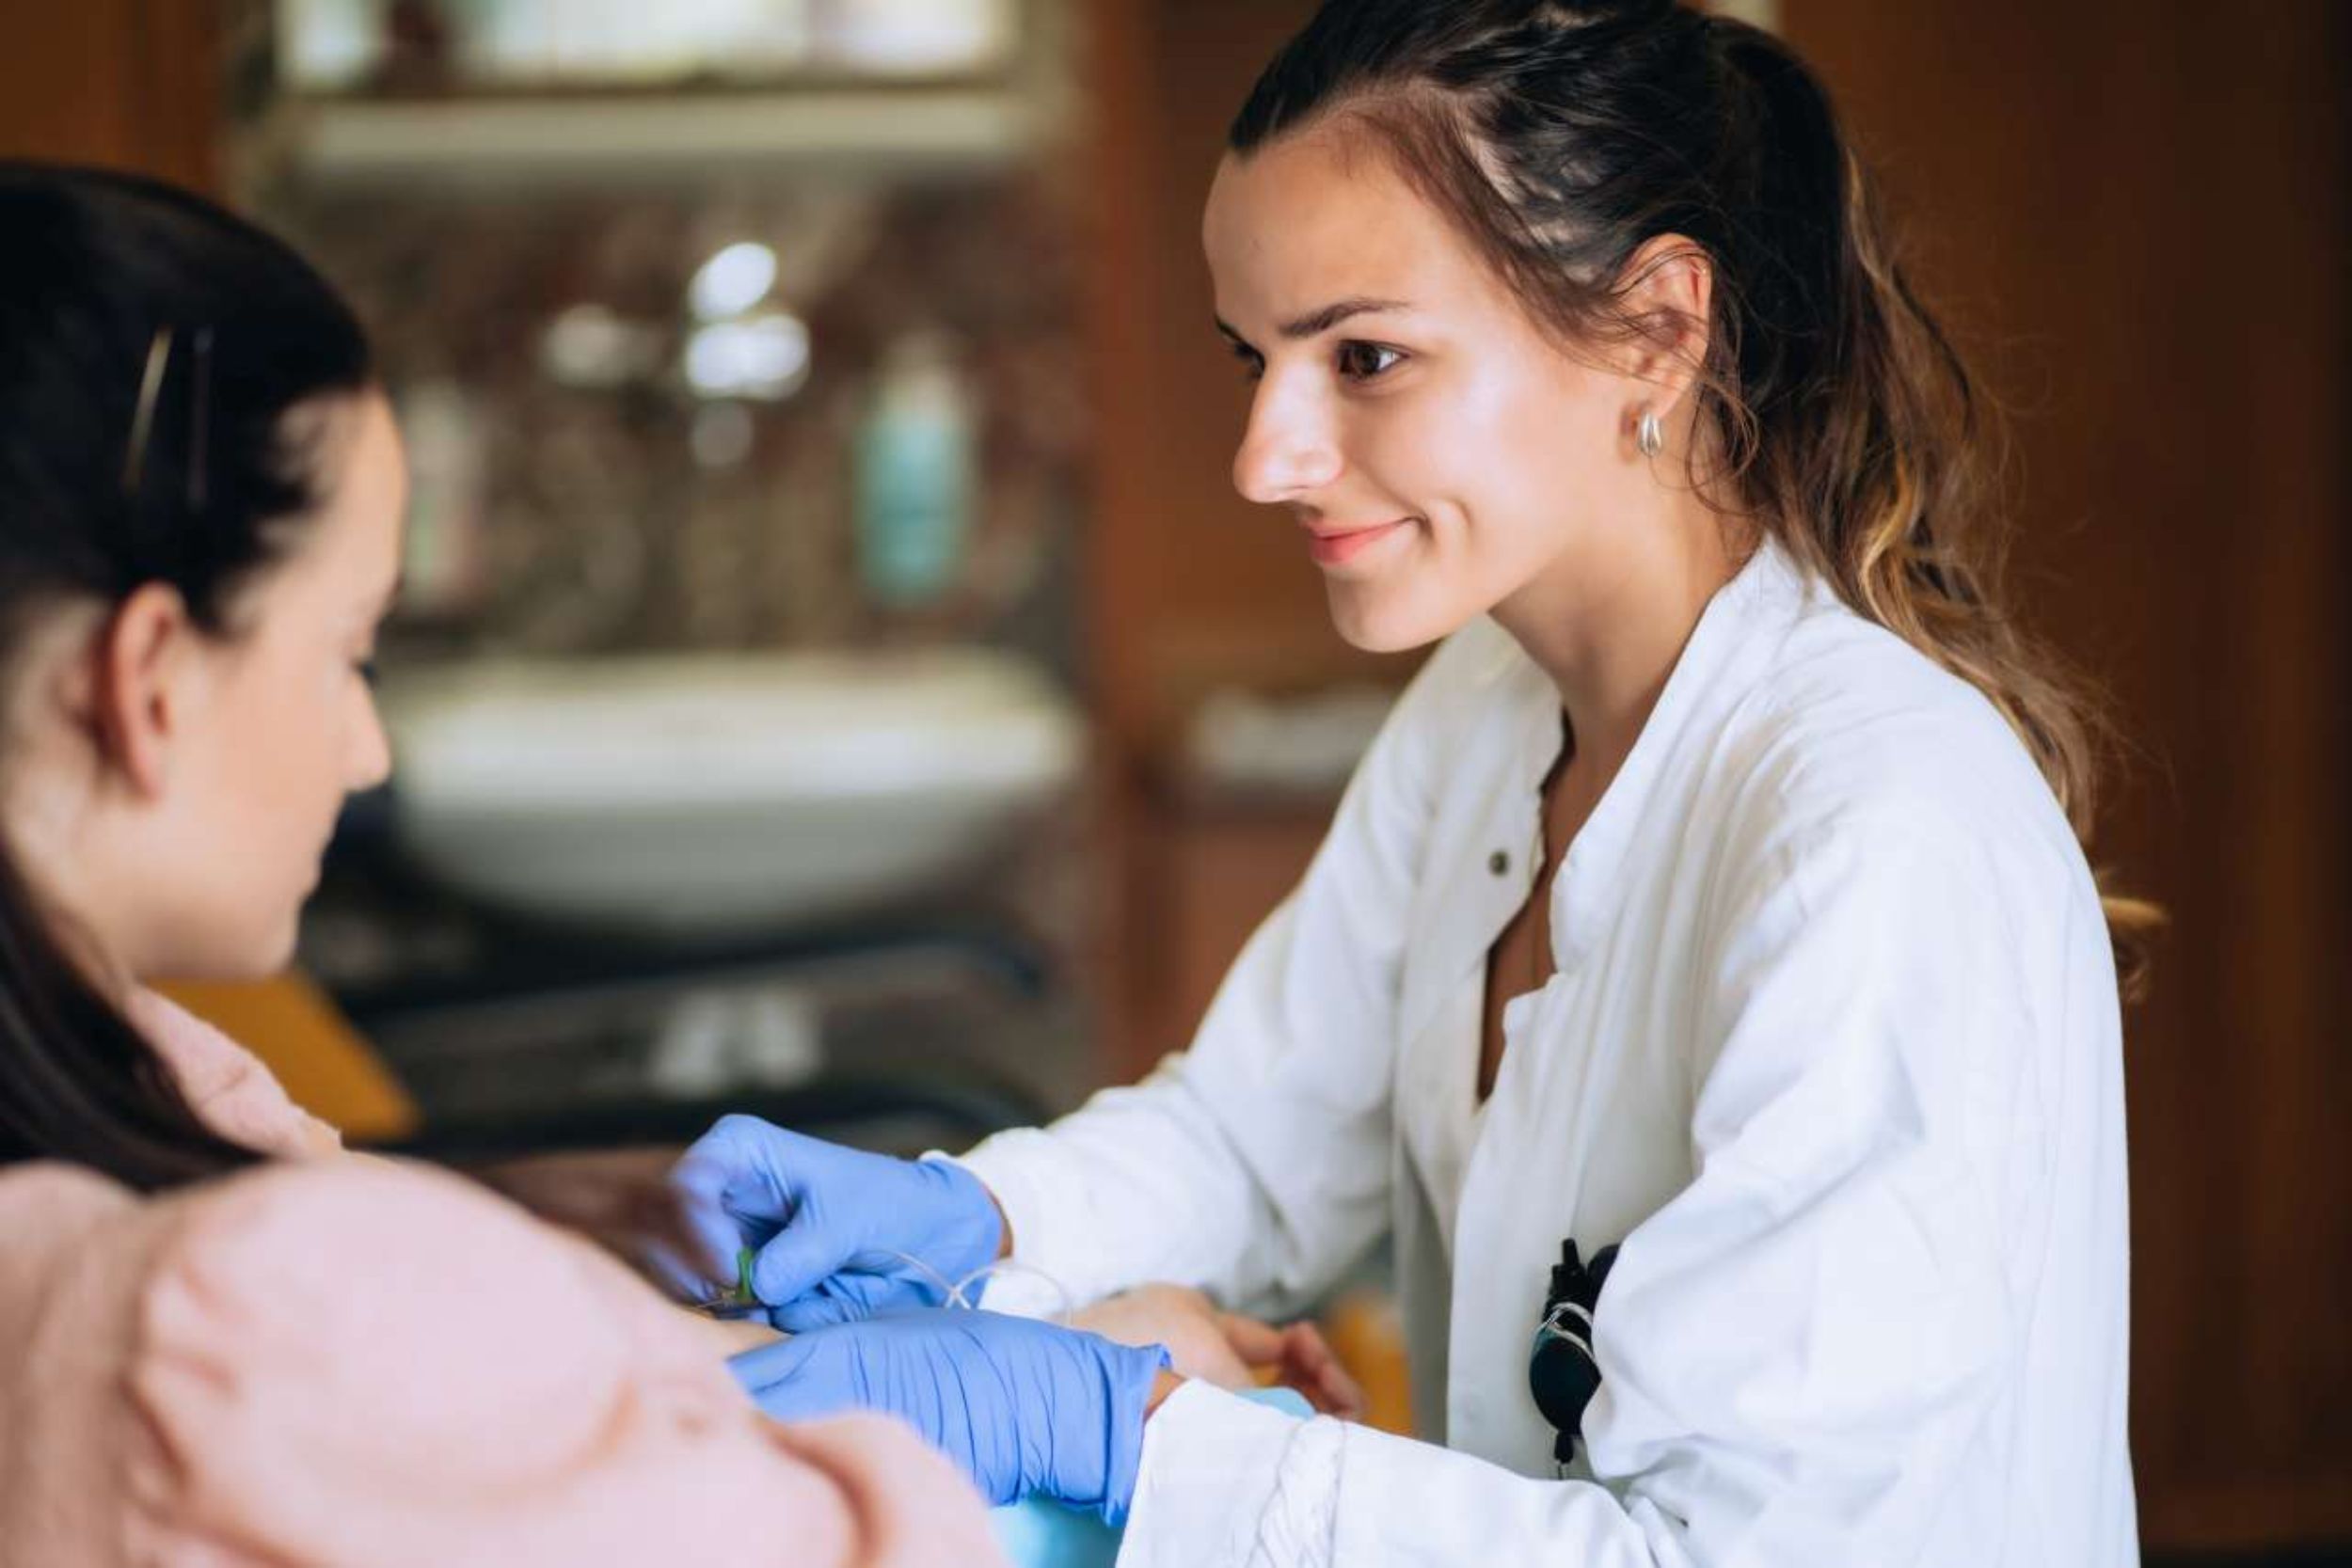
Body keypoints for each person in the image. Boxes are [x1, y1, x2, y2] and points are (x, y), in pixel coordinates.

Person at [685, 2, 2146, 1563]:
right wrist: (977, 1223)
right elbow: (1261, 1139)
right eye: (1259, 358)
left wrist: (1133, 1441)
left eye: (1363, 356)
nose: (1264, 454)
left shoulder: (1876, 834)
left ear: (1657, 327)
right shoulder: (1491, 710)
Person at [0, 163, 1010, 1567]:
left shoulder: (132, 1097)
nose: (366, 754)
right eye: (347, 654)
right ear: (152, 680)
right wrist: (988, 1422)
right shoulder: (226, 1321)